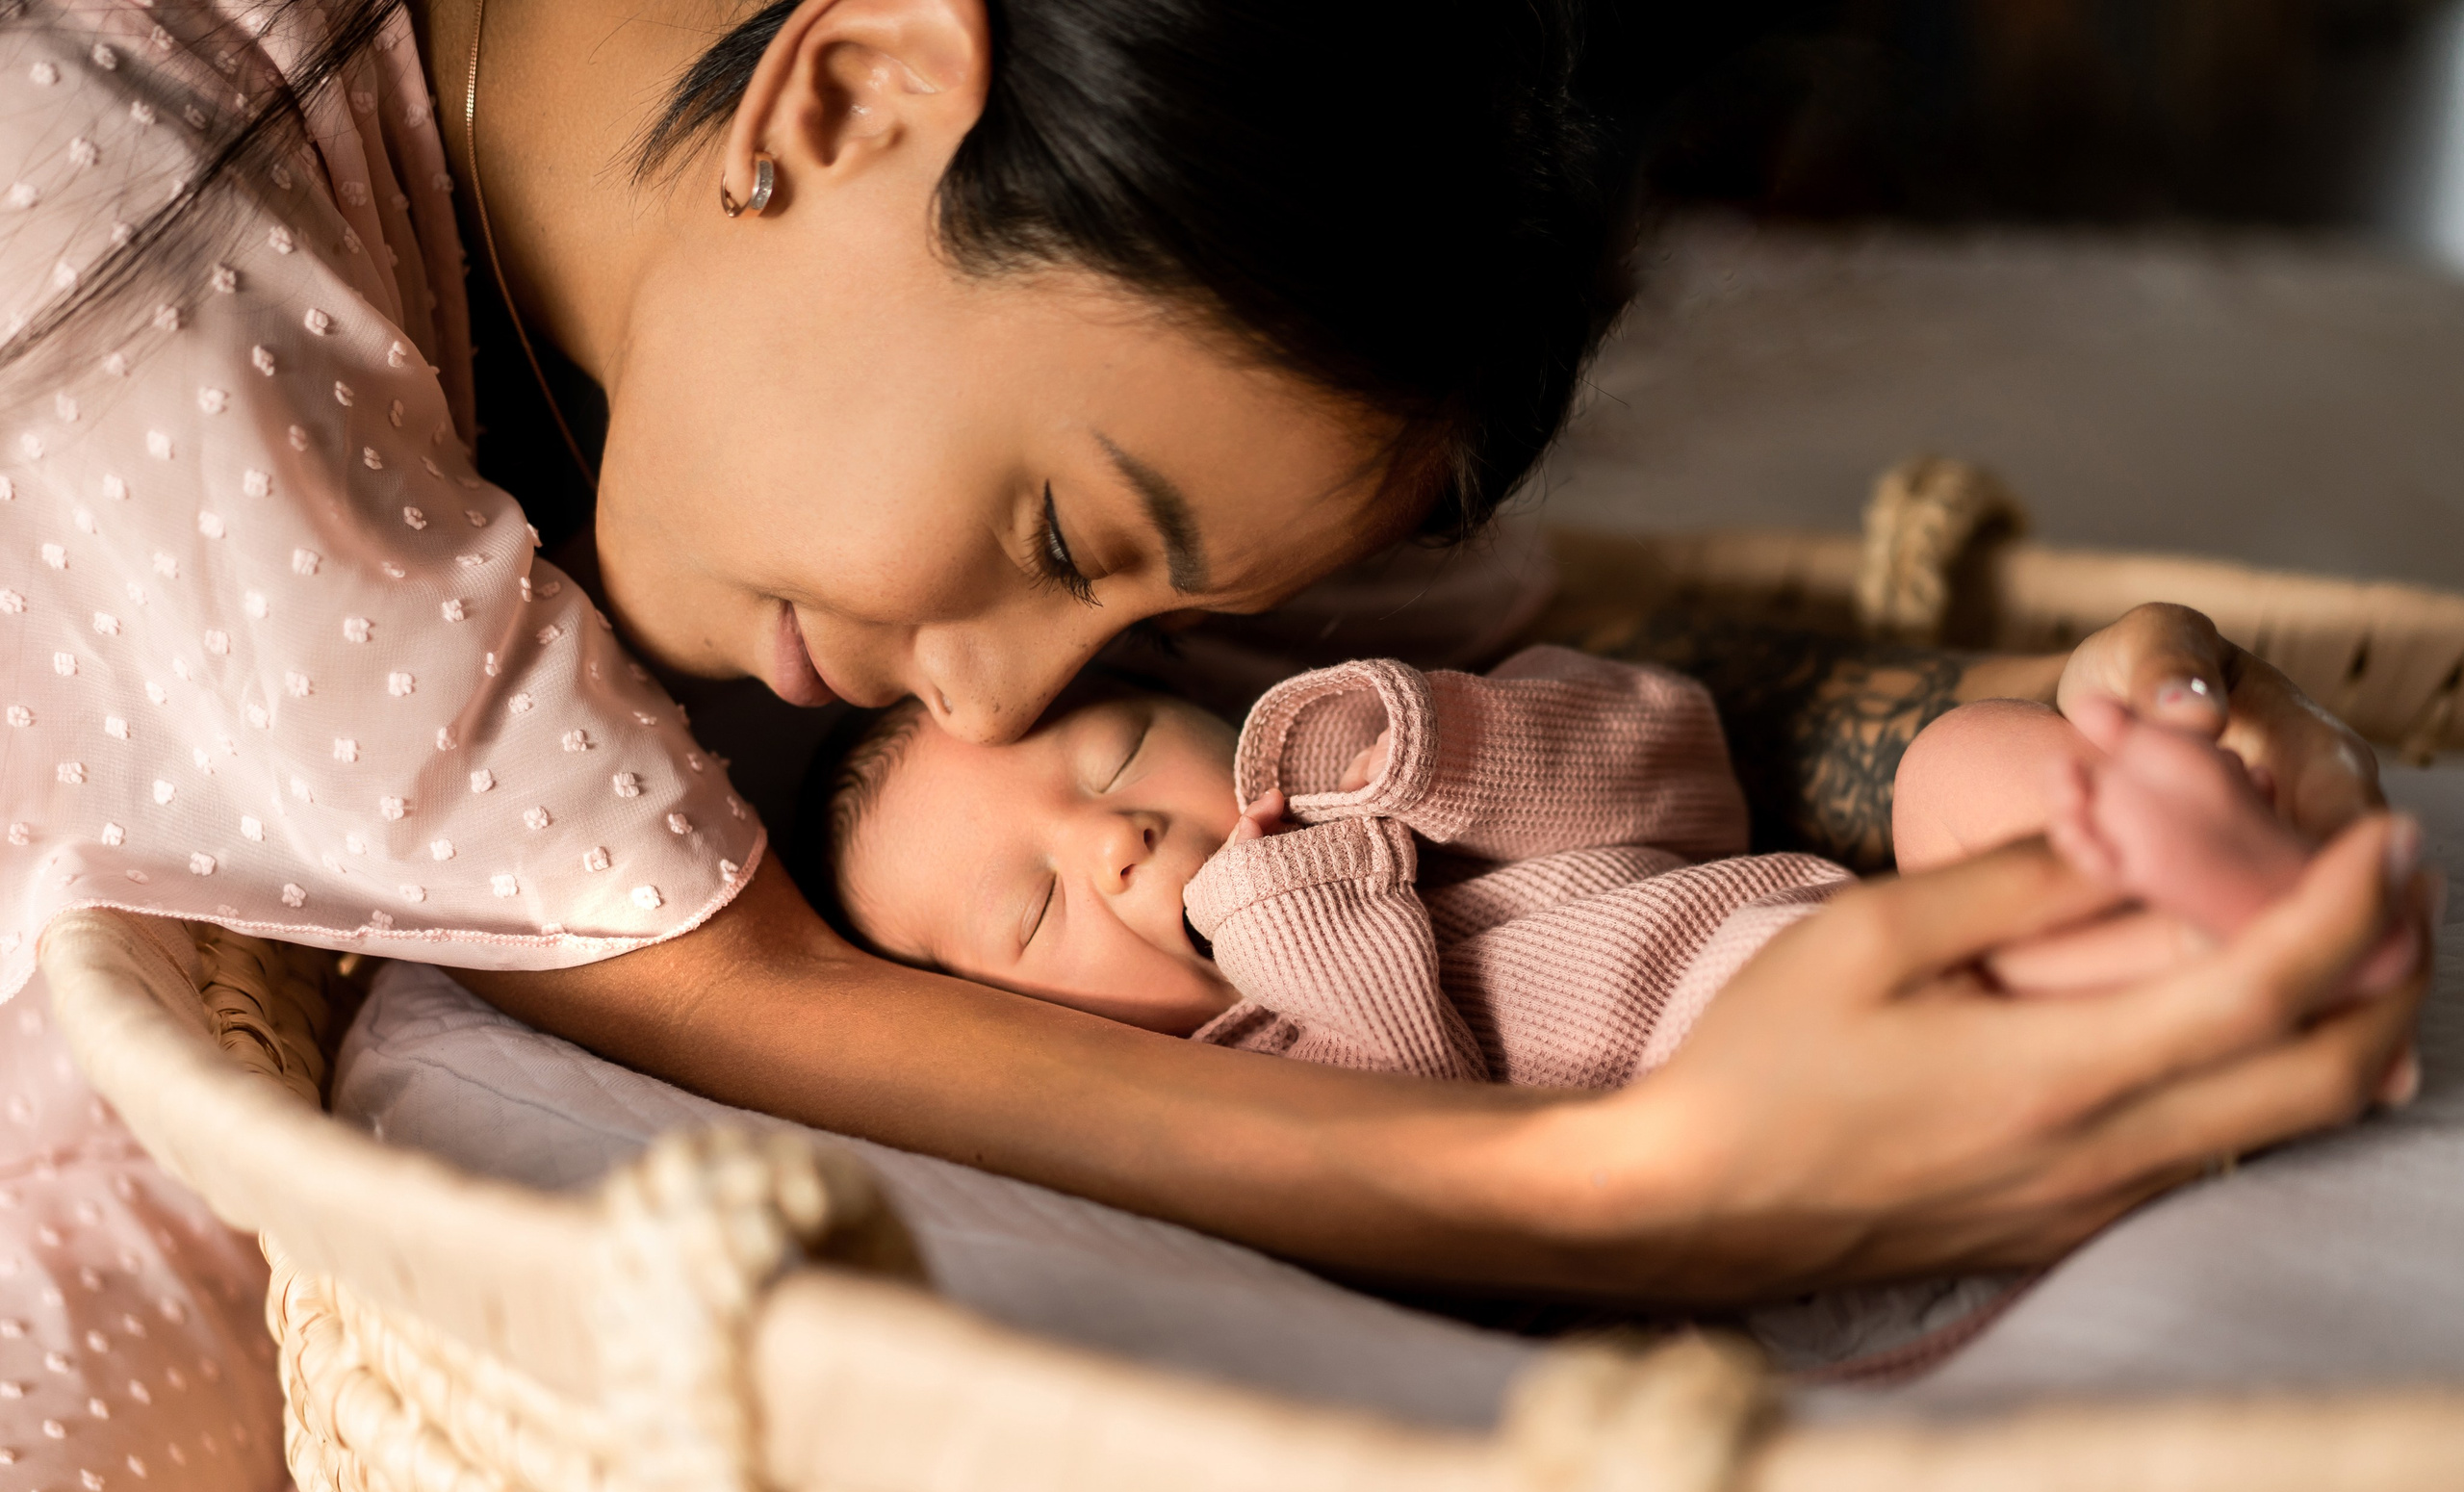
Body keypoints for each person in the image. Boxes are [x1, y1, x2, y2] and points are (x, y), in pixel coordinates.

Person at [0, 0, 2422, 1328]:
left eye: (1121, 608)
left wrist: (2141, 716)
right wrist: (1650, 1186)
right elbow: (741, 992)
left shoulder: (866, 410)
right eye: (1059, 533)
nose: (983, 703)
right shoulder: (115, 210)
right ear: (845, 89)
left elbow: (1593, 687)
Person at [807, 643, 2404, 1090]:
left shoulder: (1409, 770)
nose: (1115, 836)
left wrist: (1416, 742)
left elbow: (1686, 779)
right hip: (1809, 1073)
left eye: (1114, 752)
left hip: (1869, 916)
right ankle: (2243, 950)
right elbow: (1414, 1108)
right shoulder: (1249, 1078)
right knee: (2012, 994)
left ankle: (2205, 864)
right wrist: (1283, 919)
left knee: (1954, 768)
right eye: (1036, 907)